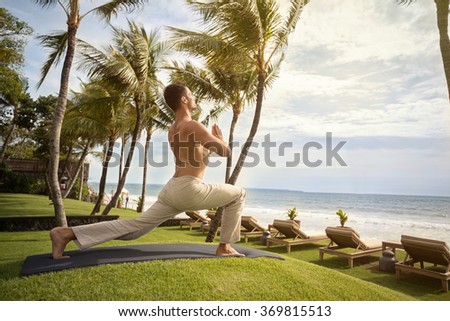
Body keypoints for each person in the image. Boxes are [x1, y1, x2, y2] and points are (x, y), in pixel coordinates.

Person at [50, 83, 246, 259]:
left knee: (136, 229)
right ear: (184, 100)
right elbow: (226, 152)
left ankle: (66, 233)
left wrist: (212, 144)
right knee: (238, 195)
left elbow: (197, 154)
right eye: (191, 95)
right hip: (188, 189)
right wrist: (220, 140)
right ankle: (225, 247)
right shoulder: (193, 125)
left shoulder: (173, 129)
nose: (194, 98)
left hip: (172, 189)